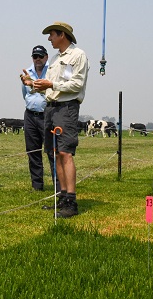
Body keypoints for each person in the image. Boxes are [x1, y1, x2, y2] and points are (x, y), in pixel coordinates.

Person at [23, 22, 88, 218]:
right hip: (50, 109)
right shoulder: (55, 58)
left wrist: (50, 83)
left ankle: (71, 201)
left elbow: (76, 84)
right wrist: (31, 84)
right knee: (56, 154)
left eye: (51, 35)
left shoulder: (78, 56)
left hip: (66, 109)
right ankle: (62, 197)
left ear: (62, 35)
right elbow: (49, 87)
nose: (49, 39)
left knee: (65, 153)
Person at [20, 45, 52, 191]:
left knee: (52, 151)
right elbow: (25, 94)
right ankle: (37, 185)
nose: (38, 59)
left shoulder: (52, 71)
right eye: (35, 56)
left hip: (48, 115)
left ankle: (59, 185)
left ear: (46, 57)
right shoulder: (28, 72)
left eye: (40, 56)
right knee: (33, 151)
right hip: (31, 115)